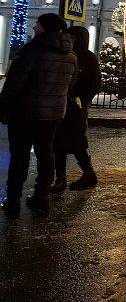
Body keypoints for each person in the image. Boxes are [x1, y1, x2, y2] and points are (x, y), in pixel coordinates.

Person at [0, 14, 78, 215]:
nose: (34, 27)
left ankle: (13, 199)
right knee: (46, 152)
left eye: (37, 24)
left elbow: (15, 82)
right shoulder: (71, 56)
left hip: (25, 112)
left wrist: (4, 108)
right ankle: (41, 197)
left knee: (19, 155)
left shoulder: (33, 50)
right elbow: (69, 87)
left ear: (44, 27)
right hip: (53, 114)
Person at [51, 26, 102, 193]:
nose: (69, 41)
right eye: (67, 37)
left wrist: (79, 101)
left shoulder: (87, 57)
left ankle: (88, 174)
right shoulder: (63, 54)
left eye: (72, 38)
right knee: (57, 144)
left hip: (75, 108)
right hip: (60, 105)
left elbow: (94, 83)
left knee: (76, 143)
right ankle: (60, 178)